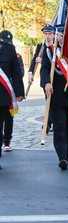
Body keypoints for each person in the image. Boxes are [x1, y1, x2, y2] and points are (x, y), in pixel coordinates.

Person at [40, 25, 68, 170]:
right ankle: (61, 156)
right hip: (56, 95)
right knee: (60, 127)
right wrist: (46, 82)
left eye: (63, 36)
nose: (61, 38)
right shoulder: (50, 52)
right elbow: (44, 69)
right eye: (59, 36)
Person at [0, 30, 25, 169]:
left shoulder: (11, 50)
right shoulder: (10, 49)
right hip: (5, 95)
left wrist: (19, 92)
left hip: (5, 95)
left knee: (7, 119)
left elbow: (16, 72)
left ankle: (6, 140)